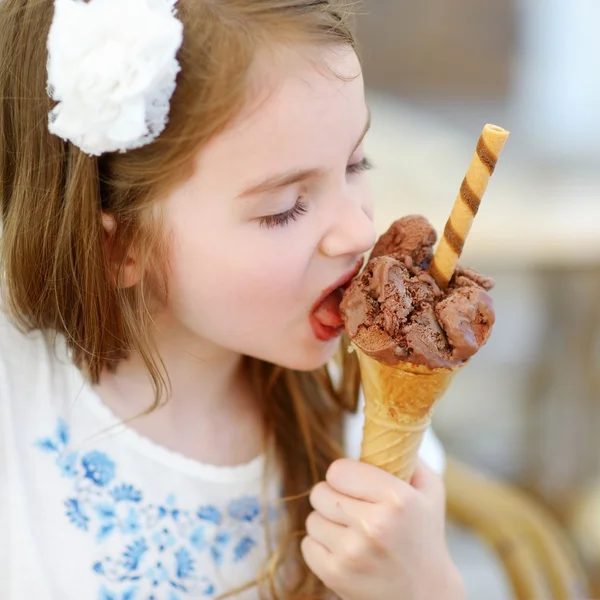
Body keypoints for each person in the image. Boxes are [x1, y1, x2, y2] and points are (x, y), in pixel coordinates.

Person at [0, 1, 465, 598]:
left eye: (356, 163)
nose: (356, 232)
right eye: (284, 209)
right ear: (117, 251)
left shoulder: (362, 433)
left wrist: (425, 588)